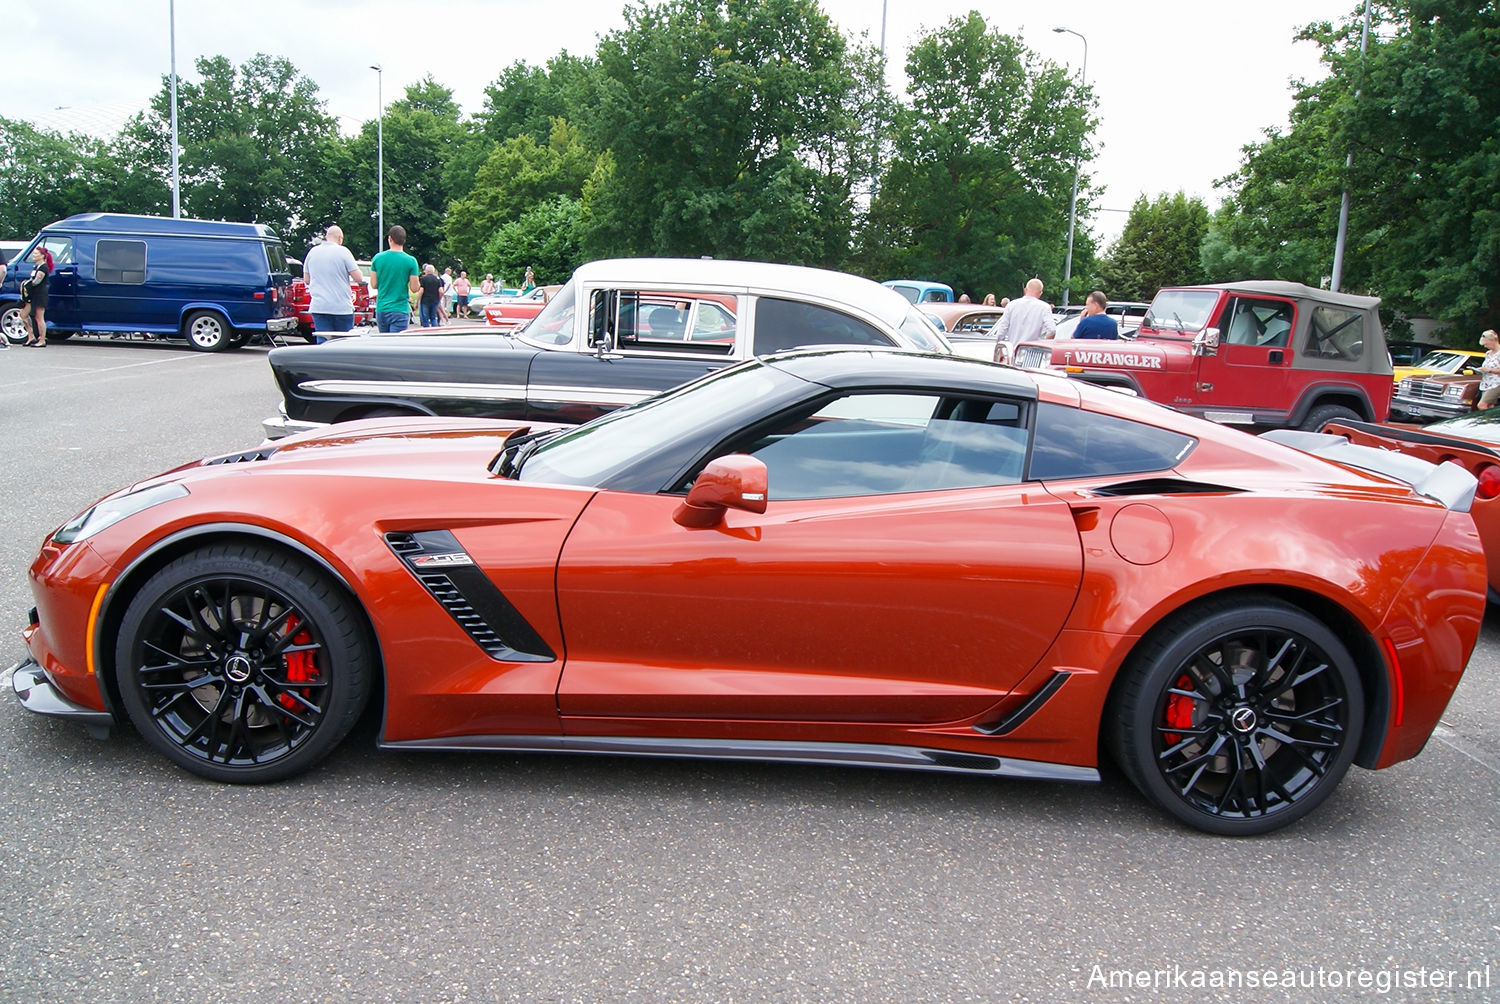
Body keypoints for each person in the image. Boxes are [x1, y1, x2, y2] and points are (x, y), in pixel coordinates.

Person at [302, 225, 364, 343]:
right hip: (341, 308)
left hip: (319, 306)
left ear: (326, 237)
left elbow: (306, 279)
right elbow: (358, 278)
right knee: (344, 343)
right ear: (340, 238)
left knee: (323, 342)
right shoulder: (343, 252)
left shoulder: (312, 252)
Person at [368, 225, 420, 333]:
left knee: (384, 345)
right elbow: (415, 288)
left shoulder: (377, 258)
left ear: (390, 238)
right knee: (396, 345)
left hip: (382, 308)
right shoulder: (411, 261)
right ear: (404, 240)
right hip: (400, 308)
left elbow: (374, 284)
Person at [991, 279, 1055, 362]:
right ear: (1040, 293)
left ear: (1025, 290)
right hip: (1034, 355)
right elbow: (1052, 330)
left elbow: (1001, 331)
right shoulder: (1044, 307)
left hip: (1012, 352)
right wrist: (1045, 345)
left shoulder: (1011, 305)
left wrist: (1000, 351)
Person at [20, 246, 52, 347]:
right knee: (23, 314)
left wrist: (28, 284)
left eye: (36, 254)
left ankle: (42, 340)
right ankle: (31, 335)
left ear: (42, 256)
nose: (34, 255)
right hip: (32, 295)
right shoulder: (36, 267)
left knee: (39, 317)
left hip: (40, 295)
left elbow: (36, 282)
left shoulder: (43, 267)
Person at [1478, 329, 1500, 410]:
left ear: (1492, 340)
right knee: (1490, 407)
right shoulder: (1488, 354)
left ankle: (1485, 422)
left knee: (1481, 405)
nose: (1485, 346)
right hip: (1486, 383)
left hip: (1496, 383)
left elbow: (1490, 369)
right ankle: (1490, 421)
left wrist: (1489, 370)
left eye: (1486, 344)